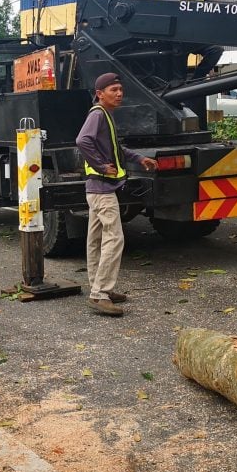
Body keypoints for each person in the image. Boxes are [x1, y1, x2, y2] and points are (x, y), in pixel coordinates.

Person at [76, 73, 158, 317]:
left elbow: (115, 148)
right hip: (102, 189)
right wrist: (101, 166)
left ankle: (99, 288)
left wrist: (138, 158)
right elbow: (82, 141)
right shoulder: (98, 114)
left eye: (121, 89)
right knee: (115, 239)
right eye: (113, 89)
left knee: (97, 240)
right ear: (100, 94)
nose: (119, 93)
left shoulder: (105, 116)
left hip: (98, 189)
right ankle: (100, 294)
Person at [153, 0, 223, 81]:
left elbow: (209, 8)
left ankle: (195, 79)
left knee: (216, 49)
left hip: (188, 37)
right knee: (175, 76)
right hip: (166, 40)